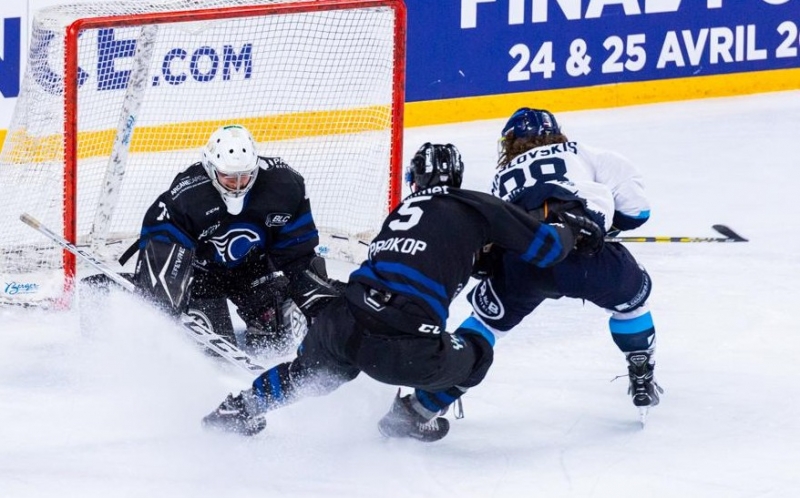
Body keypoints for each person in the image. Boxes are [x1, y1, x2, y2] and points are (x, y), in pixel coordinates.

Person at [201, 142, 604, 441]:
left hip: (342, 322)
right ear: (457, 179)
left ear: (413, 182)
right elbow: (547, 249)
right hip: (405, 347)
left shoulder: (399, 215)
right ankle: (410, 415)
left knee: (311, 374)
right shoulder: (475, 205)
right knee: (477, 357)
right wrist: (571, 227)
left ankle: (240, 408)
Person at [463, 107, 663, 413]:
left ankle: (426, 403)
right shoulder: (584, 153)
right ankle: (641, 373)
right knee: (632, 303)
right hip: (586, 256)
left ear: (509, 142)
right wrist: (605, 225)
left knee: (486, 325)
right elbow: (638, 212)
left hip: (525, 265)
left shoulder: (502, 177)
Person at [122, 124, 340, 354]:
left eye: (244, 177)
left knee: (275, 338)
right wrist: (164, 294)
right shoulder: (187, 196)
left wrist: (314, 297)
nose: (237, 185)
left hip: (253, 268)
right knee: (215, 352)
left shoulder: (284, 186)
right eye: (228, 178)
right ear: (210, 168)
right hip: (201, 276)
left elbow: (298, 252)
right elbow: (161, 244)